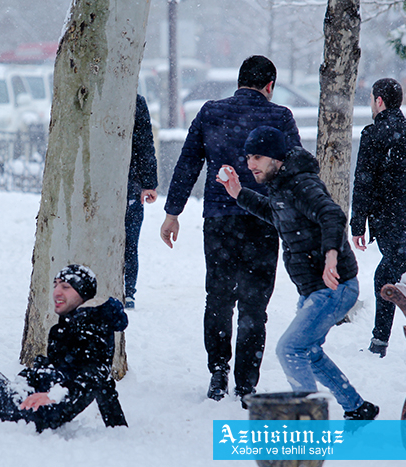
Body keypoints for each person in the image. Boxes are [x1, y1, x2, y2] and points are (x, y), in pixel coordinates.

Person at [160, 55, 301, 402]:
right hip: (264, 220)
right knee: (255, 303)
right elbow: (297, 170)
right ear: (270, 86)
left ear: (239, 82)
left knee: (219, 297)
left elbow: (188, 162)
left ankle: (218, 370)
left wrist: (172, 211)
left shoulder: (210, 112)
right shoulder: (280, 117)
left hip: (220, 220)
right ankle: (247, 381)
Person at [217, 126, 379, 419]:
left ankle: (306, 420)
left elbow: (332, 213)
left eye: (257, 157)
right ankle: (356, 406)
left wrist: (331, 255)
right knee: (309, 351)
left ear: (276, 157)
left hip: (332, 286)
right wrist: (239, 193)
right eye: (248, 157)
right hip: (314, 288)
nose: (250, 164)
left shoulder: (301, 183)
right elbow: (278, 215)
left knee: (290, 349)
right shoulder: (282, 184)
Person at [0, 264, 129, 432]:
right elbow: (102, 380)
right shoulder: (78, 323)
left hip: (33, 410)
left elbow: (95, 376)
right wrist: (117, 427)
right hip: (29, 396)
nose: (57, 291)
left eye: (66, 287)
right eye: (56, 284)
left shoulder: (89, 329)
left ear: (82, 294)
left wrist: (54, 396)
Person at [350, 78, 406, 358]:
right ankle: (381, 341)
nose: (371, 103)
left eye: (372, 98)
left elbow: (364, 182)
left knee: (396, 278)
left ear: (379, 101)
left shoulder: (375, 134)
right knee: (392, 274)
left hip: (390, 219)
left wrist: (357, 223)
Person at [125, 94, 158, 309]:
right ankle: (128, 289)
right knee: (130, 241)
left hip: (112, 181)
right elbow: (145, 143)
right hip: (131, 183)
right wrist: (148, 182)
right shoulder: (134, 100)